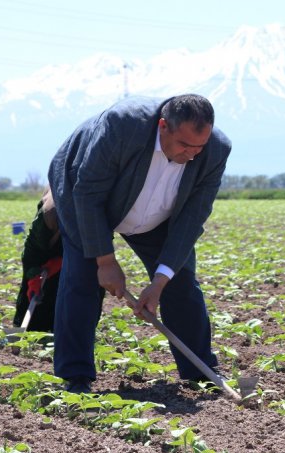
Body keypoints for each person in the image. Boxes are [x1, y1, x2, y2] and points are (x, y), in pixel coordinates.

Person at [48, 94, 231, 393]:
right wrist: (105, 261)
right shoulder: (123, 126)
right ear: (163, 126)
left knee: (180, 282)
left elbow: (191, 219)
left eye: (199, 147)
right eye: (185, 145)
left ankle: (200, 371)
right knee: (82, 279)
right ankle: (75, 374)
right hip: (86, 198)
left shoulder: (215, 150)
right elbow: (88, 193)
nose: (192, 155)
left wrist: (159, 283)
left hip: (156, 216)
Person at [12, 187, 62, 332]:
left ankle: (72, 334)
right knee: (37, 288)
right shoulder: (50, 214)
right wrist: (33, 275)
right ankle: (24, 329)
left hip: (87, 245)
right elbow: (32, 252)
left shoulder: (101, 209)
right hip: (51, 239)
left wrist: (63, 261)